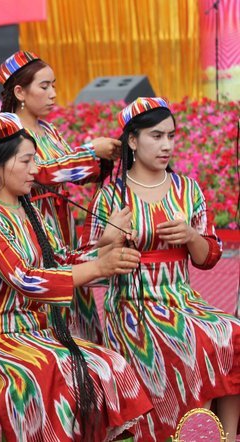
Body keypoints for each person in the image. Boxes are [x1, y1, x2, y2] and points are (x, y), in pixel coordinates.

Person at [0, 113, 152, 441]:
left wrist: (106, 252)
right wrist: (99, 266)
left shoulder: (28, 210)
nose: (36, 169)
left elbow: (62, 259)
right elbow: (28, 279)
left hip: (33, 331)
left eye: (36, 161)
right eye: (28, 161)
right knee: (56, 370)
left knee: (109, 364)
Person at [81, 97, 240, 441]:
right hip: (132, 306)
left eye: (171, 136)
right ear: (133, 141)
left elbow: (208, 256)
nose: (167, 144)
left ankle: (223, 436)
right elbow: (87, 261)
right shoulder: (112, 196)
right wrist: (111, 240)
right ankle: (176, 431)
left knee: (233, 333)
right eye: (156, 136)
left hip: (181, 298)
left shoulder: (187, 189)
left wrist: (190, 236)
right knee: (191, 340)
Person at [0, 51, 121, 343]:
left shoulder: (48, 130)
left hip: (61, 225)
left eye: (54, 85)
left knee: (75, 283)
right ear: (19, 92)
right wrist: (89, 151)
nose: (53, 94)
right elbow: (42, 173)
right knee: (50, 287)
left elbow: (68, 171)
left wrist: (102, 160)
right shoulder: (9, 132)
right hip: (29, 222)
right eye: (44, 86)